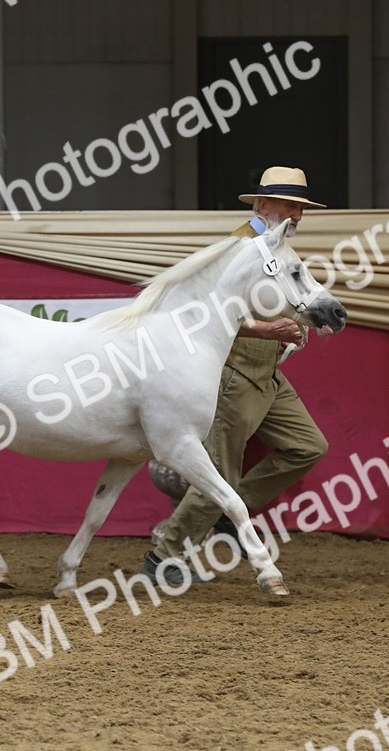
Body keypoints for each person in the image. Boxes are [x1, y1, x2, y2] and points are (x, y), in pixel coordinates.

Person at [141, 166, 331, 585]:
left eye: (301, 207)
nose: (297, 214)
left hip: (265, 371)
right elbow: (207, 313)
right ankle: (165, 558)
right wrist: (269, 330)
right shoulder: (239, 247)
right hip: (236, 372)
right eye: (290, 205)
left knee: (307, 447)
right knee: (220, 472)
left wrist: (291, 327)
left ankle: (232, 513)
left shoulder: (274, 247)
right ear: (263, 205)